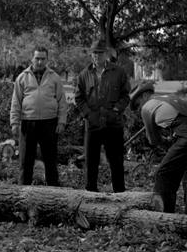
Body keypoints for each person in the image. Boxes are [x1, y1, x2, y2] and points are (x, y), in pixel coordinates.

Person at [129, 80, 187, 215]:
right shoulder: (170, 98)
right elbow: (185, 123)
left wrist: (166, 143)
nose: (139, 108)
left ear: (144, 96)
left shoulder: (147, 108)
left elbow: (154, 140)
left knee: (163, 173)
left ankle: (165, 217)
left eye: (137, 104)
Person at [75, 38, 131, 192]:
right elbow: (78, 98)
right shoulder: (83, 75)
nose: (96, 56)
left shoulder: (118, 72)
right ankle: (90, 193)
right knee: (91, 161)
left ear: (106, 54)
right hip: (92, 124)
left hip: (113, 123)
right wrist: (88, 114)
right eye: (94, 53)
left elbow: (126, 96)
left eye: (99, 53)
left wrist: (116, 111)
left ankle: (120, 194)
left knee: (116, 161)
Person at [9, 46, 68, 185]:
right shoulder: (22, 77)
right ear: (32, 59)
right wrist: (14, 123)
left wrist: (61, 122)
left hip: (49, 123)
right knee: (25, 161)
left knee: (51, 161)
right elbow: (16, 101)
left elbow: (62, 101)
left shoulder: (54, 78)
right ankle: (22, 193)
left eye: (43, 59)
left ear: (47, 60)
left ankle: (53, 193)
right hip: (28, 123)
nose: (40, 62)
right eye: (37, 58)